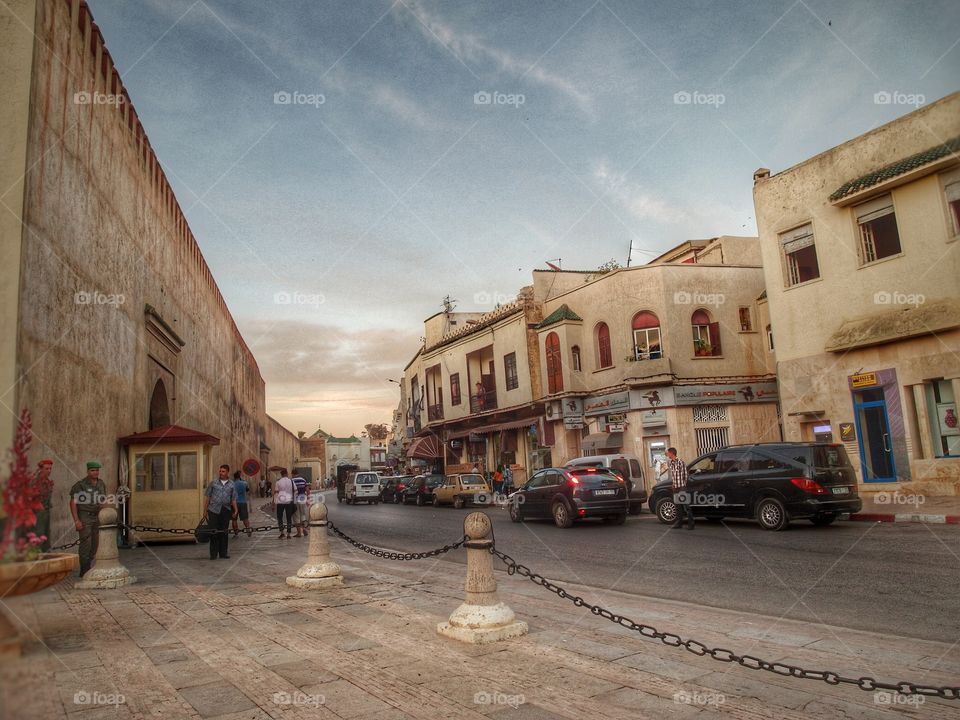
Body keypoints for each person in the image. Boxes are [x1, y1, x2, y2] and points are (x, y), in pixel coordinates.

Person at [69, 461, 107, 576]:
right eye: (92, 470)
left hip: (97, 516)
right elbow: (73, 503)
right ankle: (84, 570)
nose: (95, 472)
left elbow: (103, 500)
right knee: (86, 544)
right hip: (85, 516)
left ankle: (89, 566)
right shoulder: (80, 485)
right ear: (88, 471)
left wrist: (104, 514)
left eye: (97, 470)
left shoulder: (101, 483)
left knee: (95, 545)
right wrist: (76, 520)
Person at [203, 464, 238, 559]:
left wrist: (236, 509)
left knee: (224, 532)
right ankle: (213, 554)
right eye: (220, 471)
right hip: (213, 510)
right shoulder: (213, 483)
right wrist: (205, 511)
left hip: (226, 510)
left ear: (227, 472)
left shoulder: (231, 484)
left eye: (223, 471)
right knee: (213, 532)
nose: (221, 473)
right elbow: (208, 497)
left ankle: (223, 553)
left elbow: (233, 498)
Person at [667, 447, 694, 530]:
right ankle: (679, 523)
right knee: (678, 506)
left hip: (681, 487)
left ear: (672, 453)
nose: (667, 454)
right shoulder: (671, 463)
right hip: (675, 487)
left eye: (668, 453)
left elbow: (685, 475)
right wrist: (673, 484)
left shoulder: (680, 462)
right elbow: (673, 476)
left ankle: (691, 523)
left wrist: (683, 485)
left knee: (686, 506)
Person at [34, 459, 55, 551]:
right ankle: (38, 553)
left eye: (50, 469)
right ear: (40, 469)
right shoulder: (35, 482)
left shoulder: (48, 481)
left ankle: (45, 553)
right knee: (39, 533)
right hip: (38, 512)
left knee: (46, 535)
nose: (49, 471)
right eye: (47, 469)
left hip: (46, 512)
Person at [274, 469, 295, 539]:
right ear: (287, 473)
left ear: (281, 474)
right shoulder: (291, 481)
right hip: (289, 501)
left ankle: (282, 532)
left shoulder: (278, 482)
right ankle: (289, 534)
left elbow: (276, 493)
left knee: (279, 517)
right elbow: (296, 491)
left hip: (280, 501)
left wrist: (274, 503)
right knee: (289, 517)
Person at [231, 470, 251, 536]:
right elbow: (247, 490)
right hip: (243, 502)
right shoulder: (244, 483)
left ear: (234, 477)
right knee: (245, 518)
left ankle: (236, 532)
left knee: (234, 519)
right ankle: (248, 529)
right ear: (239, 476)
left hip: (234, 503)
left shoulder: (231, 484)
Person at [291, 471, 308, 537]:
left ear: (293, 474)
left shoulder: (292, 480)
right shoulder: (303, 480)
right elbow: (307, 490)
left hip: (295, 500)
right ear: (298, 474)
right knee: (303, 515)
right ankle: (304, 529)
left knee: (296, 516)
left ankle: (299, 533)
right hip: (303, 499)